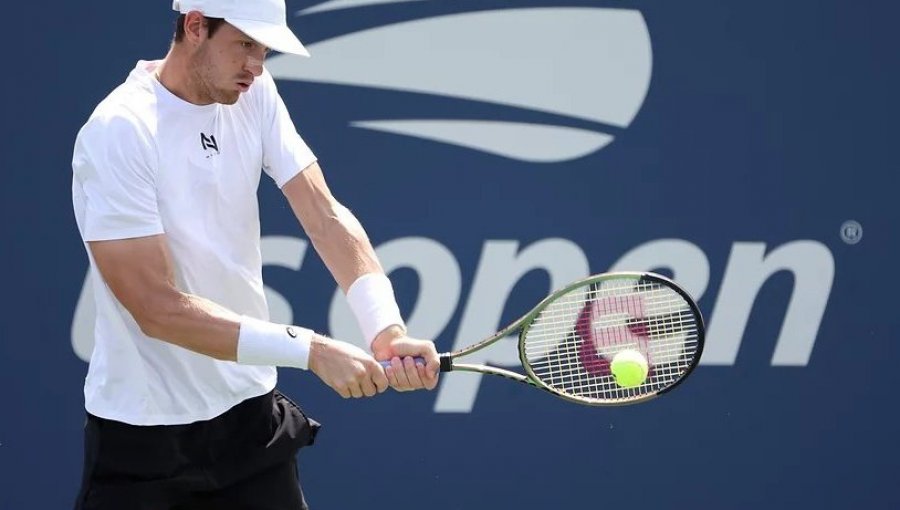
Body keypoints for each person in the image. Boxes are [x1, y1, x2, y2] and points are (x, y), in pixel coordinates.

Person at [70, 0, 440, 508]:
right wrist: (310, 350)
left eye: (264, 50)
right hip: (144, 440)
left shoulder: (255, 94)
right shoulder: (119, 130)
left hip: (249, 424)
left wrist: (386, 327)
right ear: (195, 26)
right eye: (245, 45)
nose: (256, 66)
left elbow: (324, 216)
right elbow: (155, 307)